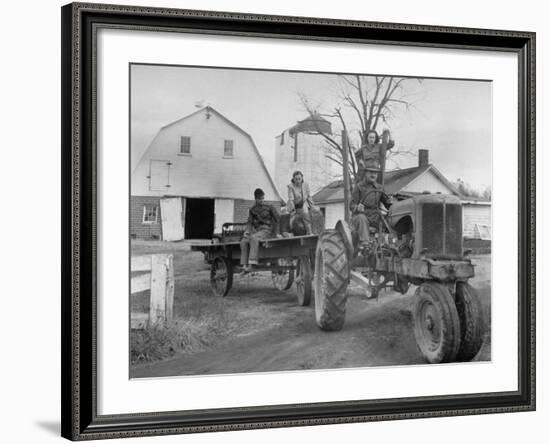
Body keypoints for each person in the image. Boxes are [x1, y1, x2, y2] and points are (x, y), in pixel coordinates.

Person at [350, 160, 392, 250]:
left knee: (390, 219)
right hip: (360, 216)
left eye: (375, 173)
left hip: (375, 215)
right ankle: (365, 245)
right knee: (362, 218)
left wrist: (391, 202)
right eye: (371, 172)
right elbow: (352, 205)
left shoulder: (380, 188)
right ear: (365, 173)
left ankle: (391, 242)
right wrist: (357, 207)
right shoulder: (358, 187)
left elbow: (387, 203)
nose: (373, 175)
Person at [240, 188, 280, 274]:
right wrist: (247, 232)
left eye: (262, 198)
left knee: (254, 238)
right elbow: (250, 223)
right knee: (243, 241)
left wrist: (277, 233)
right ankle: (244, 266)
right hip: (257, 231)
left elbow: (278, 219)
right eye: (260, 199)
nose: (262, 200)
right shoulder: (252, 210)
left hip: (267, 230)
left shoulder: (269, 207)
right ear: (255, 199)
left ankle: (251, 265)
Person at [287, 171, 318, 235]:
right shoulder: (290, 186)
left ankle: (309, 232)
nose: (298, 181)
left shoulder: (305, 185)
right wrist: (293, 209)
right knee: (290, 217)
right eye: (296, 179)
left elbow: (309, 197)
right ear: (293, 179)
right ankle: (290, 231)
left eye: (299, 179)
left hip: (302, 203)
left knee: (305, 213)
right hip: (294, 203)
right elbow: (291, 199)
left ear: (302, 178)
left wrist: (313, 207)